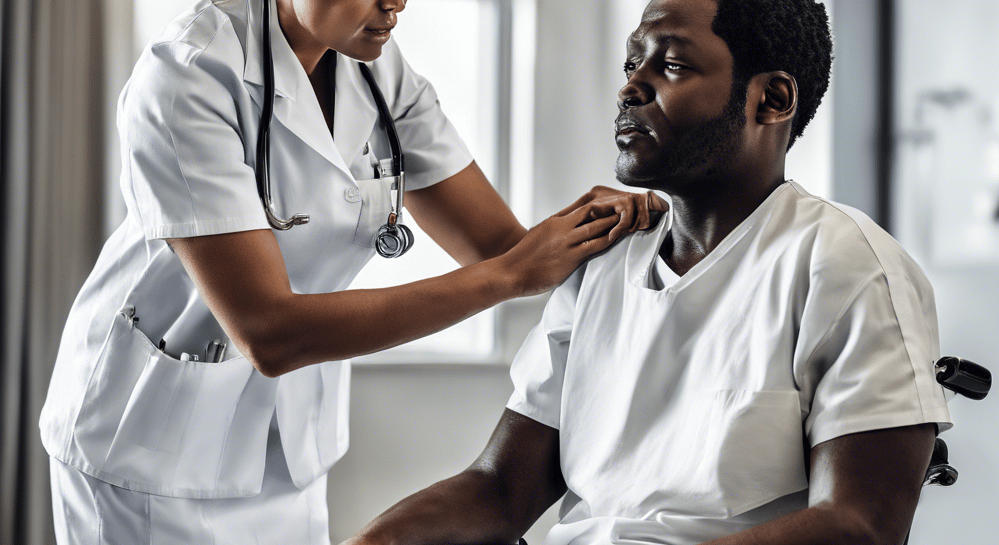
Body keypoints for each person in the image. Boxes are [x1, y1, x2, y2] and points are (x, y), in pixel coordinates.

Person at [38, 0, 667, 543]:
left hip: (287, 455)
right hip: (152, 450)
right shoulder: (187, 77)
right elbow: (268, 332)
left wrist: (609, 228)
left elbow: (499, 246)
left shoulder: (377, 72)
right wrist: (509, 275)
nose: (397, 3)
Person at [342, 0, 954, 544]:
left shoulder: (847, 267)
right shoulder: (603, 263)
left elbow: (860, 525)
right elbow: (500, 489)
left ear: (771, 99)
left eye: (673, 66)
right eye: (634, 62)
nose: (631, 88)